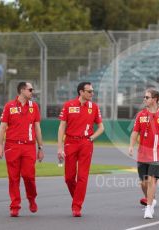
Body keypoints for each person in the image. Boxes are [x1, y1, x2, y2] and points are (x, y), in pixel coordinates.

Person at [0, 82, 44, 217]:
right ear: (22, 90)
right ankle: (15, 205)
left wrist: (40, 147)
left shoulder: (34, 106)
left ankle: (31, 198)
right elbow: (2, 127)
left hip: (29, 146)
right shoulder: (9, 106)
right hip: (12, 146)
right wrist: (0, 145)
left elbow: (37, 128)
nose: (32, 92)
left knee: (29, 176)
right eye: (30, 90)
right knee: (13, 178)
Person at [57, 82, 104, 217]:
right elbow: (61, 127)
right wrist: (60, 147)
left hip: (86, 143)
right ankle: (77, 198)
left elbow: (101, 127)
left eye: (92, 91)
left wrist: (92, 137)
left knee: (82, 176)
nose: (92, 93)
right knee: (69, 178)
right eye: (89, 91)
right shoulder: (69, 105)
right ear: (81, 92)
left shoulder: (94, 107)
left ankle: (77, 206)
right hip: (70, 142)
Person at [129, 89, 159, 219]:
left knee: (152, 181)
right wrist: (131, 146)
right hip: (142, 154)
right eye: (144, 97)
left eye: (147, 97)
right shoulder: (140, 115)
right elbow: (135, 132)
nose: (144, 99)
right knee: (143, 182)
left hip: (157, 154)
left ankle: (148, 207)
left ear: (154, 99)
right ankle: (150, 199)